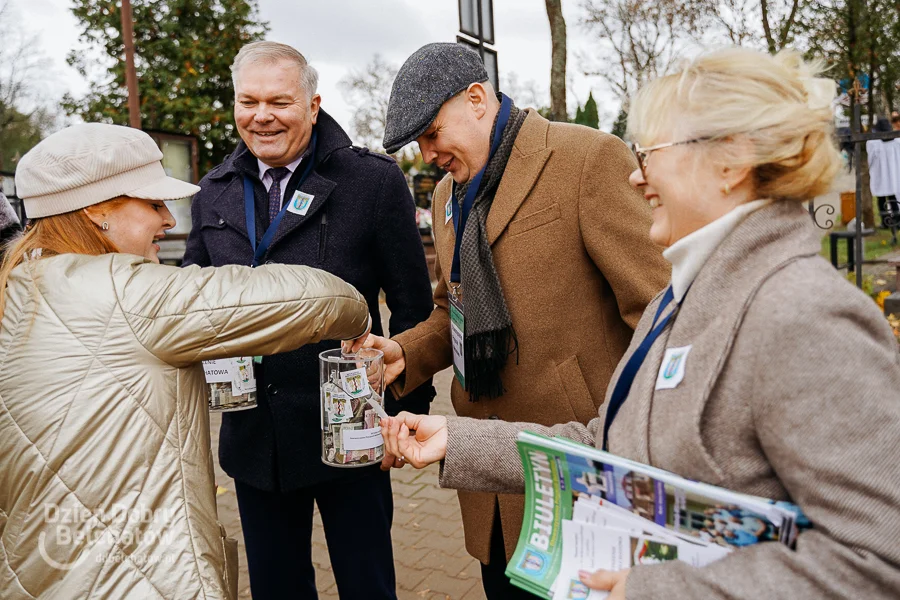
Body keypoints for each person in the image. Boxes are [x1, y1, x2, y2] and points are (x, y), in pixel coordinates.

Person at [379, 47, 900, 599]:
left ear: (731, 161)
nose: (636, 174)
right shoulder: (679, 301)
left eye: (652, 152)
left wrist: (649, 589)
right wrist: (456, 440)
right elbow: (607, 444)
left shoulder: (805, 314)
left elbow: (875, 560)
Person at [0, 123, 372, 599]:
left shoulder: (18, 286)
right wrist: (359, 317)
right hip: (137, 578)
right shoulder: (127, 292)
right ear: (95, 209)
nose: (169, 220)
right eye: (153, 204)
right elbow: (307, 297)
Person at [362, 42, 669, 598]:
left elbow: (660, 312)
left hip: (582, 482)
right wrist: (404, 352)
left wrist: (649, 445)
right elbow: (450, 305)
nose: (427, 153)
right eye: (420, 142)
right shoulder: (447, 196)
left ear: (477, 99)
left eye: (432, 133)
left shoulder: (587, 159)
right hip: (489, 486)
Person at [182, 41, 434, 600]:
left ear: (313, 105)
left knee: (367, 585)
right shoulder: (215, 190)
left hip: (352, 432)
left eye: (279, 101)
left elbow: (414, 307)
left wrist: (403, 416)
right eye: (248, 101)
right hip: (255, 441)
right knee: (277, 588)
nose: (261, 116)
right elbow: (191, 298)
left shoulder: (371, 181)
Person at [867, 115, 900, 238]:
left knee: (882, 199)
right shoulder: (897, 141)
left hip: (881, 174)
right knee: (893, 198)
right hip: (894, 174)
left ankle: (885, 222)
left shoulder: (873, 143)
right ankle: (897, 220)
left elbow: (870, 160)